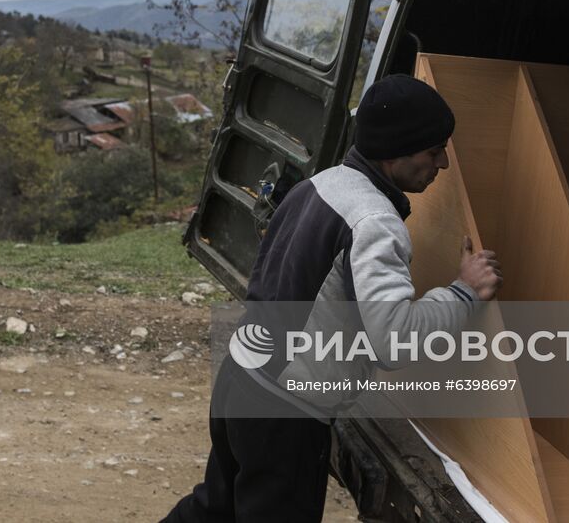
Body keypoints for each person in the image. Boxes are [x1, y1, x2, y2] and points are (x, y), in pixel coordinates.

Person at [163, 74, 503, 522]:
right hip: (285, 412)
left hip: (240, 380)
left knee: (214, 509)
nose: (441, 163)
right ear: (397, 149)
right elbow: (393, 341)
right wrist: (464, 292)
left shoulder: (321, 184)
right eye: (433, 150)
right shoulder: (375, 222)